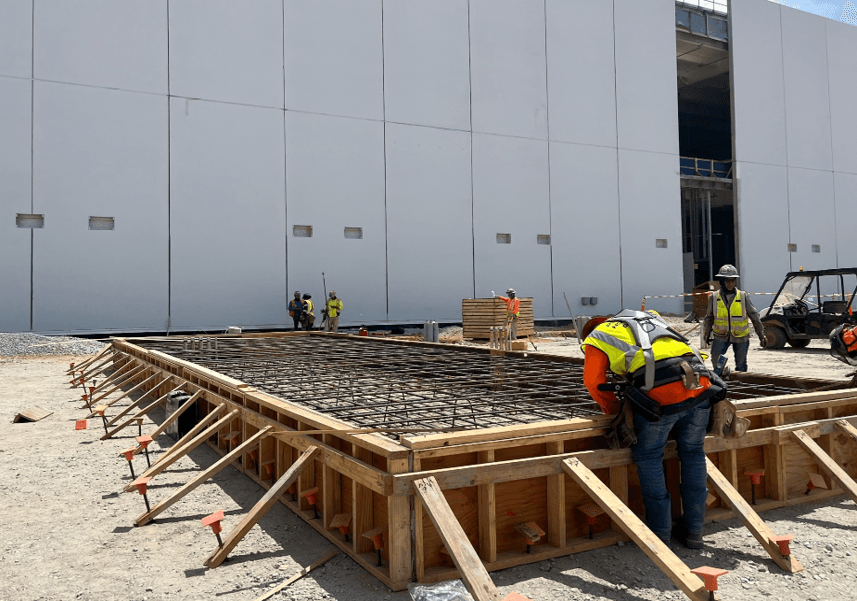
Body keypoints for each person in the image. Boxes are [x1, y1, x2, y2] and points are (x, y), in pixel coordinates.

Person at [582, 309, 725, 549]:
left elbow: (593, 382)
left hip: (660, 396)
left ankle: (661, 534)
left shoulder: (597, 337)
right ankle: (694, 532)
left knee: (649, 457)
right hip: (701, 386)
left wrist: (613, 411)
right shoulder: (649, 319)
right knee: (692, 453)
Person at [702, 264, 766, 372]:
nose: (730, 284)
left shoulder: (742, 296)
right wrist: (706, 334)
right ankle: (722, 381)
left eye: (732, 280)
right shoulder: (713, 297)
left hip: (741, 337)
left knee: (741, 365)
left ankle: (740, 386)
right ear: (722, 281)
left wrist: (761, 335)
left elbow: (754, 316)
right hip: (720, 336)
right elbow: (709, 318)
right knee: (716, 363)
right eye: (727, 280)